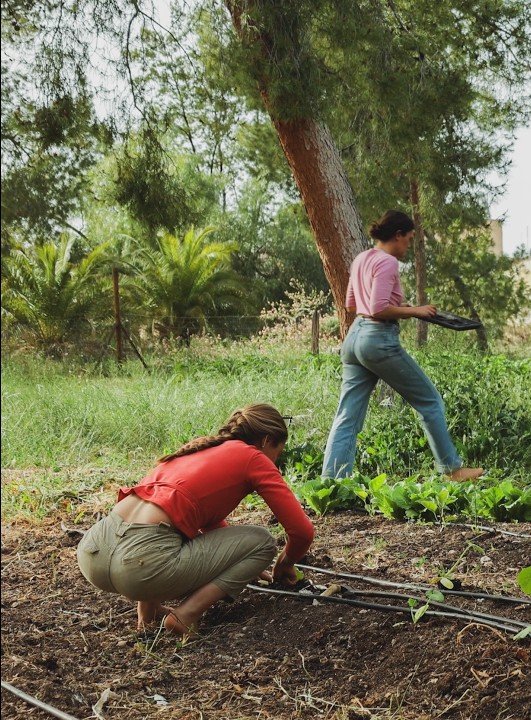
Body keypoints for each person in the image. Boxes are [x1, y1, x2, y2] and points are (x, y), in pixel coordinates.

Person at [77, 404, 313, 636]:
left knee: (166, 528)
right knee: (263, 541)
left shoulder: (200, 448)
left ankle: (147, 618)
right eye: (278, 453)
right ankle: (186, 615)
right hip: (140, 566)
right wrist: (284, 562)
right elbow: (302, 532)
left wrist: (238, 558)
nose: (275, 461)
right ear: (266, 440)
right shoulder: (254, 458)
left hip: (94, 551)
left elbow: (196, 520)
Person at [321, 209, 484, 482]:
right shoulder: (387, 262)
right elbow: (378, 307)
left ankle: (332, 481)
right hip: (377, 339)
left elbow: (353, 304)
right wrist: (416, 311)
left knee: (347, 415)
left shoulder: (361, 259)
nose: (408, 246)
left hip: (354, 337)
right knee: (430, 401)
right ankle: (452, 470)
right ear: (396, 236)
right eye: (408, 239)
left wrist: (402, 307)